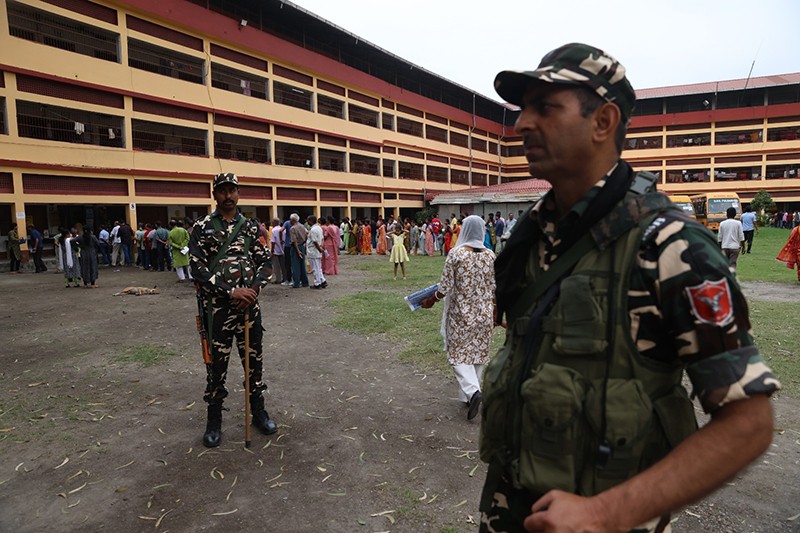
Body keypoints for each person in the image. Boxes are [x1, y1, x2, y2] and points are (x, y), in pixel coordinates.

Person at [482, 43, 778, 532]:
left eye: (545, 107)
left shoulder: (669, 247)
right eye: (523, 108)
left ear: (603, 122)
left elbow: (749, 425)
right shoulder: (531, 236)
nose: (521, 124)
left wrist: (603, 513)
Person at [189, 172, 277, 448]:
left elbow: (266, 263)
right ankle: (214, 420)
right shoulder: (202, 227)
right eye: (222, 191)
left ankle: (259, 412)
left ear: (239, 193)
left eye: (232, 190)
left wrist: (253, 291)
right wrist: (231, 291)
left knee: (254, 364)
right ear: (214, 194)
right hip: (217, 311)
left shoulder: (250, 227)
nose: (228, 196)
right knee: (216, 367)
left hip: (249, 310)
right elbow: (198, 269)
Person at [419, 215, 496, 420]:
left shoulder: (456, 254)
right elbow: (495, 287)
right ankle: (468, 397)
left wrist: (430, 300)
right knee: (477, 354)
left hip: (461, 314)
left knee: (457, 355)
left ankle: (473, 392)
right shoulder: (490, 256)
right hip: (485, 314)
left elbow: (444, 287)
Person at [718, 206, 745, 271]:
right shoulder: (738, 223)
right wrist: (743, 247)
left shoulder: (722, 223)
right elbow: (741, 236)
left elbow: (720, 237)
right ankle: (732, 276)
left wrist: (719, 248)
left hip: (724, 246)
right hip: (735, 247)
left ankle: (726, 277)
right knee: (732, 263)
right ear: (735, 214)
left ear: (726, 214)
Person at [306, 215, 327, 289]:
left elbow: (314, 241)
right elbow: (322, 239)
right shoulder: (319, 228)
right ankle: (322, 280)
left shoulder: (313, 230)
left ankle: (317, 283)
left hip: (313, 251)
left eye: (308, 221)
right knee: (318, 267)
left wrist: (319, 248)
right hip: (317, 250)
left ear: (311, 221)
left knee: (315, 268)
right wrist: (321, 247)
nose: (307, 222)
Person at [289, 213, 310, 288]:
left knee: (295, 266)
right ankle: (305, 282)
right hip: (302, 245)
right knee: (302, 265)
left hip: (296, 248)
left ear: (293, 220)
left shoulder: (293, 228)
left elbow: (294, 241)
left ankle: (296, 283)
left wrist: (297, 251)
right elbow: (307, 235)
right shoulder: (302, 226)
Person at [269, 218, 286, 284]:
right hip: (282, 249)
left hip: (276, 250)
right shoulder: (283, 229)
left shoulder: (273, 230)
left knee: (276, 266)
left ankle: (278, 279)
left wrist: (272, 251)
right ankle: (285, 278)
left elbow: (273, 241)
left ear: (274, 223)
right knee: (283, 266)